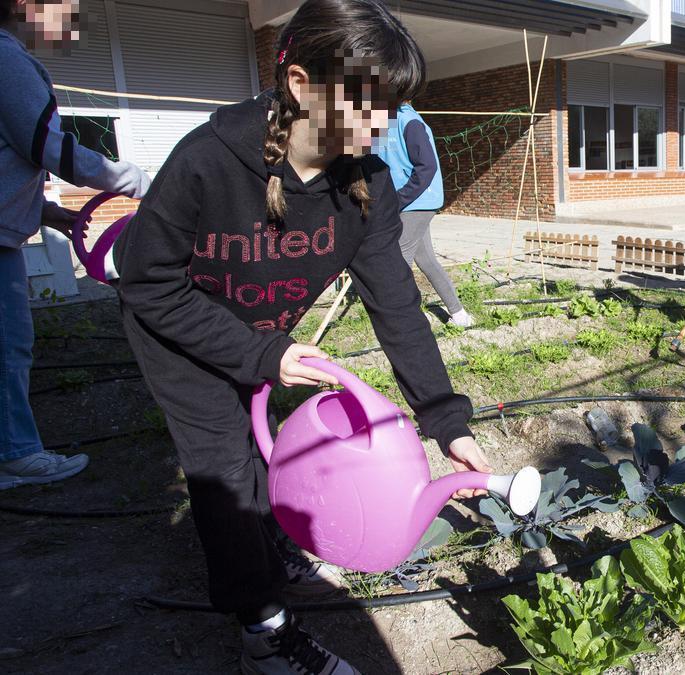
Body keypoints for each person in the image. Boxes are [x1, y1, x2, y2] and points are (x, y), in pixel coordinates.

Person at [112, 1, 493, 672]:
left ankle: (275, 536)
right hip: (176, 328)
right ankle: (264, 632)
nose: (382, 128)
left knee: (266, 448)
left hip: (261, 333)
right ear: (299, 86)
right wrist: (263, 352)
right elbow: (147, 283)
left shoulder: (366, 185)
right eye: (368, 107)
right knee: (225, 469)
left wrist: (445, 419)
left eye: (393, 109)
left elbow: (398, 308)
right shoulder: (207, 161)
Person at [0, 0, 150, 490]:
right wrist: (133, 180)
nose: (75, 17)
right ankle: (16, 454)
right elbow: (49, 145)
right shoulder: (7, 59)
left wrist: (49, 213)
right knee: (8, 347)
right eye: (68, 7)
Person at [378, 100, 473, 327]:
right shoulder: (380, 121)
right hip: (400, 199)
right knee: (426, 259)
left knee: (399, 259)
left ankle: (402, 321)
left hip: (418, 199)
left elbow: (427, 166)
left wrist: (400, 198)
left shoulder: (409, 122)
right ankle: (459, 314)